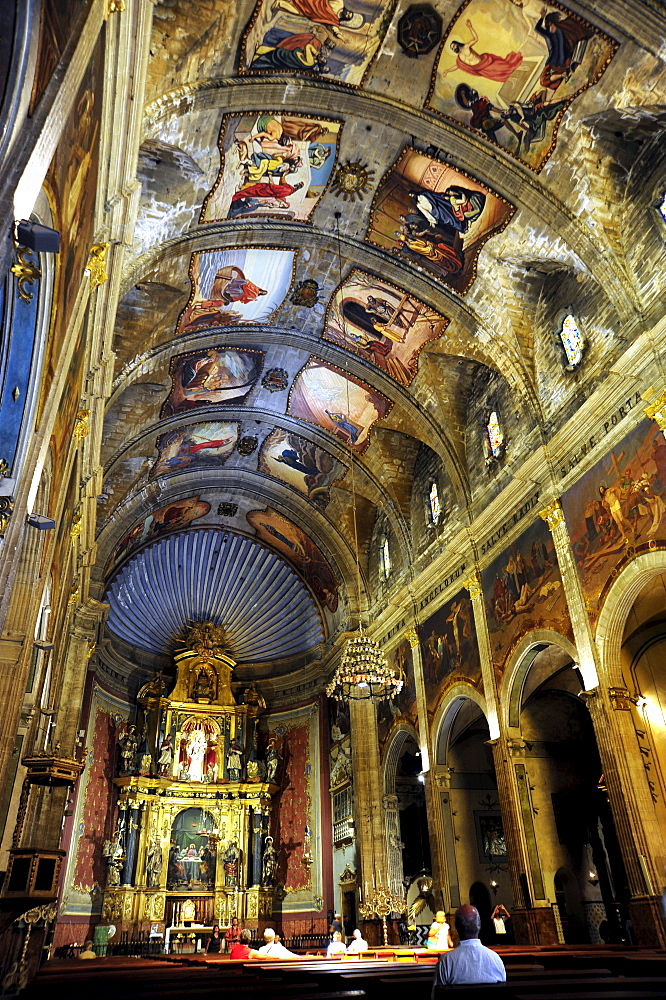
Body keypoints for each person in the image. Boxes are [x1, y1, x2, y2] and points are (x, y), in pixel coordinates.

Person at [432, 905, 506, 993]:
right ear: (479, 925)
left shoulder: (446, 961)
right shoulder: (495, 959)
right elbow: (503, 991)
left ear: (456, 926)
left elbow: (437, 995)